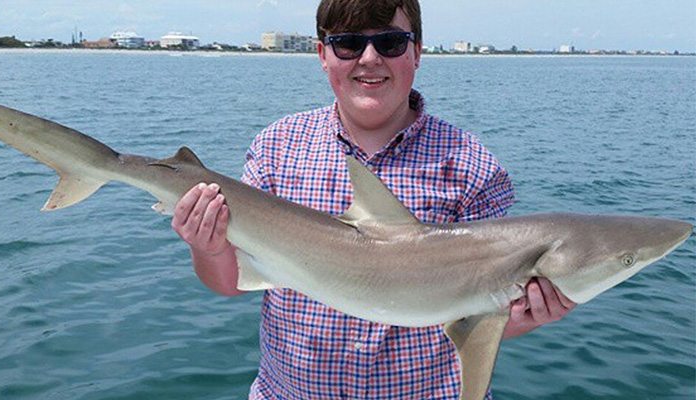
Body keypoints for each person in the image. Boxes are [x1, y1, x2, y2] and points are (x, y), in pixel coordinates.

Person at [171, 0, 576, 398]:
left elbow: (481, 314)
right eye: (348, 44)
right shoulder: (276, 147)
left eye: (390, 43)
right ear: (322, 55)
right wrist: (206, 248)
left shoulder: (470, 165)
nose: (369, 59)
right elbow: (229, 282)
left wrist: (524, 316)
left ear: (417, 52)